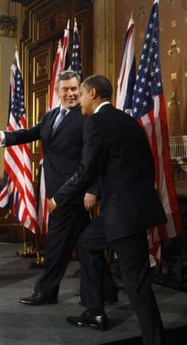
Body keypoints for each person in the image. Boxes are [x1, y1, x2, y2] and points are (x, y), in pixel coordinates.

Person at [49, 75, 167, 345]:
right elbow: (146, 163)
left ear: (93, 93)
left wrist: (59, 198)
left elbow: (87, 170)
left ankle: (155, 340)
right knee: (88, 242)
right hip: (133, 207)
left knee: (137, 284)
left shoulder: (96, 123)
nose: (78, 100)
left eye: (80, 93)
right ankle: (95, 310)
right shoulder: (130, 121)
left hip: (123, 215)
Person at [0, 70, 99, 306]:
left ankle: (46, 292)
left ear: (80, 90)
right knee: (87, 245)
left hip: (70, 193)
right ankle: (105, 291)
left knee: (57, 246)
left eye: (75, 89)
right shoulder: (51, 116)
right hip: (55, 189)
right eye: (66, 89)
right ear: (58, 91)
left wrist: (92, 188)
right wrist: (1, 135)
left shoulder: (86, 116)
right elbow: (30, 133)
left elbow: (93, 157)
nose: (71, 93)